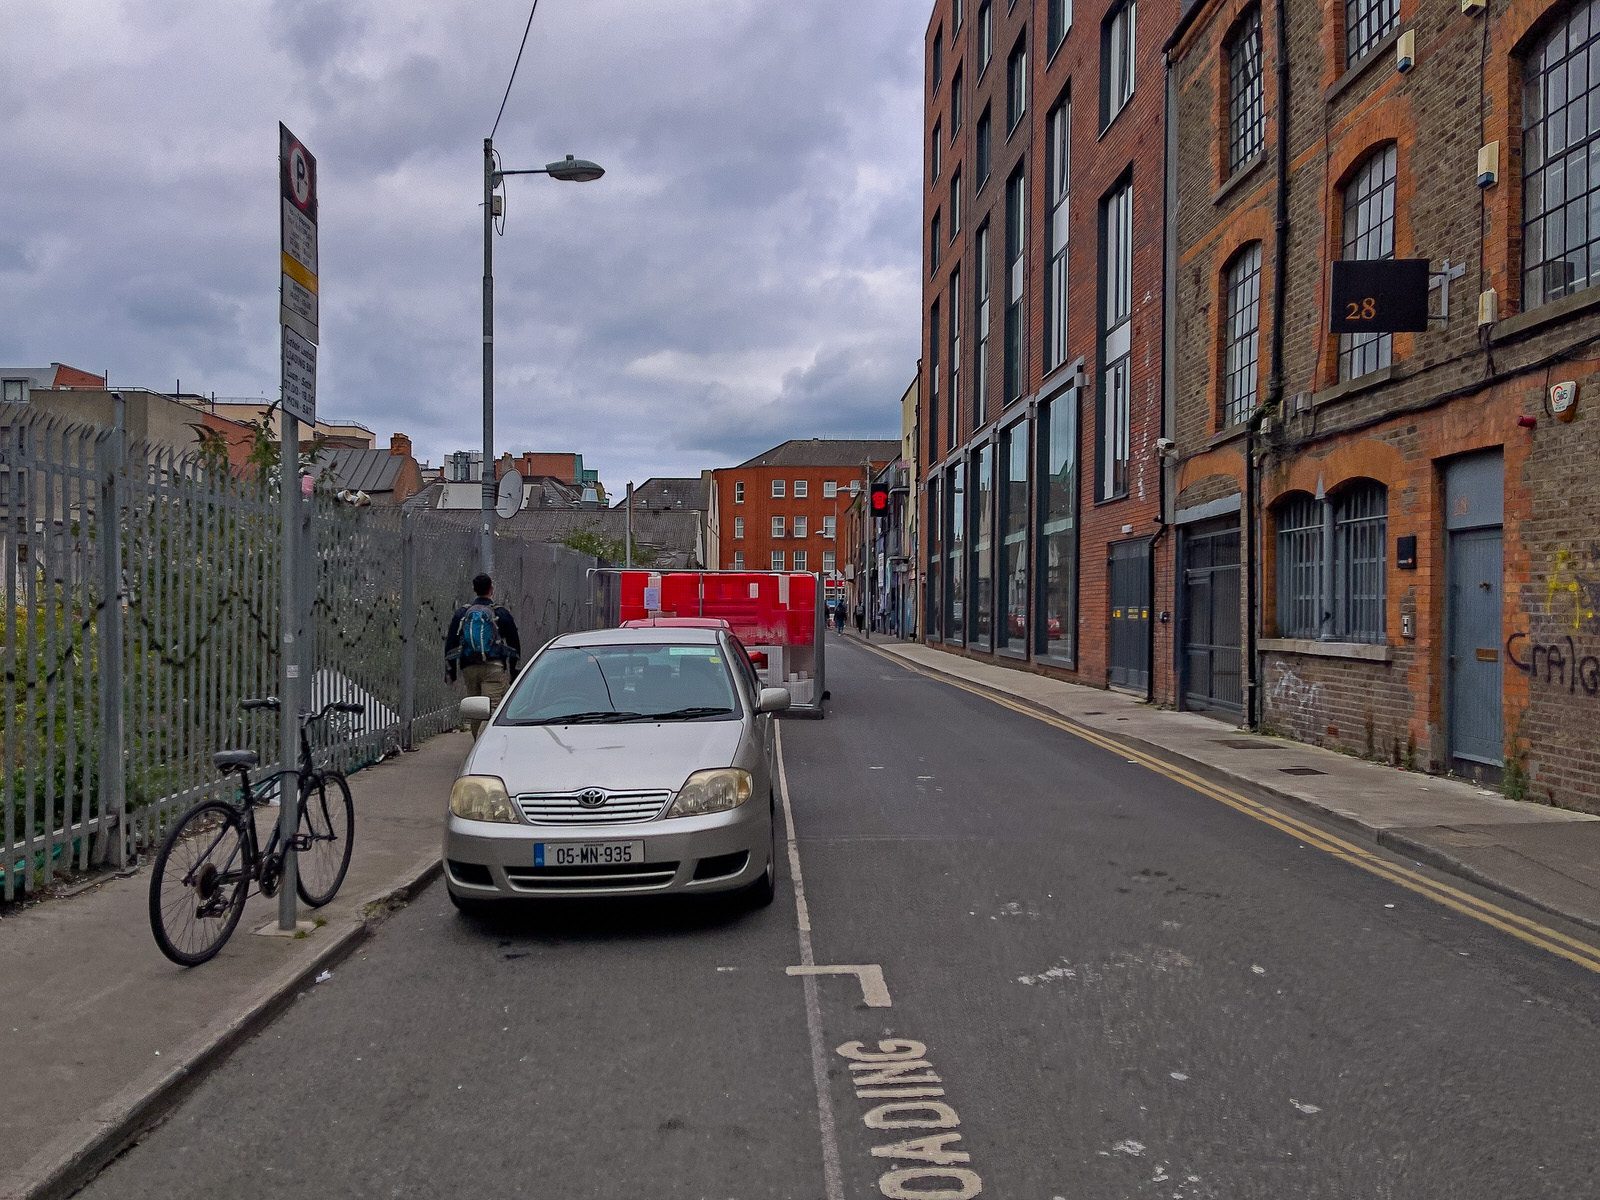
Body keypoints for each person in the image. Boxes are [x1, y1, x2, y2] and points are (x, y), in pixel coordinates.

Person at [445, 573, 522, 738]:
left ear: (474, 589)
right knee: (492, 708)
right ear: (491, 589)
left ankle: (476, 745)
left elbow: (451, 642)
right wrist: (514, 670)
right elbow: (514, 643)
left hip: (469, 667)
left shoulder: (462, 614)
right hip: (493, 667)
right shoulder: (500, 613)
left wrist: (451, 670)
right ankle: (486, 747)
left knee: (476, 710)